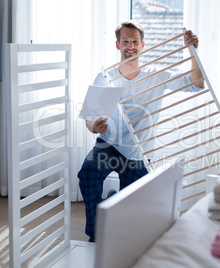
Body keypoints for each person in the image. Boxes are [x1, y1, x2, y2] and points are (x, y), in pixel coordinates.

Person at [78, 20, 204, 242]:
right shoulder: (106, 77)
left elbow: (196, 84)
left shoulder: (157, 74)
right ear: (117, 45)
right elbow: (90, 120)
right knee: (88, 173)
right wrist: (93, 126)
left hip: (139, 153)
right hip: (109, 146)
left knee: (131, 216)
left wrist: (191, 51)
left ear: (142, 44)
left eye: (135, 41)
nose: (130, 46)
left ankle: (115, 204)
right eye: (125, 41)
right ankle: (96, 234)